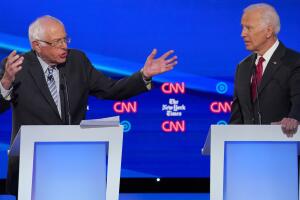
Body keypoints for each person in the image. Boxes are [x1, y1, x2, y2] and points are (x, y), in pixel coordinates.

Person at [0, 15, 177, 196]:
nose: (64, 46)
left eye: (65, 39)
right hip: (32, 166)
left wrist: (143, 75)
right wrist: (6, 82)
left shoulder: (77, 61)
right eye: (56, 42)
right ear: (37, 45)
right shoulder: (15, 67)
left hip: (76, 164)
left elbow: (111, 89)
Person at [229, 3, 300, 136]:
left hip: (286, 149)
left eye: (248, 28)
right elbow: (237, 120)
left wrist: (294, 118)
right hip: (249, 152)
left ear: (268, 31)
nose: (242, 34)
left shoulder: (294, 62)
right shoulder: (242, 67)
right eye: (242, 28)